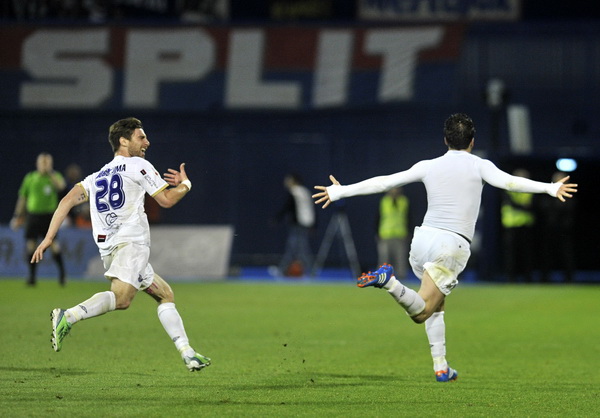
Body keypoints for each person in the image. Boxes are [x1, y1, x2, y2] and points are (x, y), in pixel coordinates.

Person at [313, 113, 577, 382]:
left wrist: (340, 191)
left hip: (423, 240)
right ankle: (389, 282)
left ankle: (441, 365)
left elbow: (385, 181)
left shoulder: (428, 165)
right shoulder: (480, 165)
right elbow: (509, 181)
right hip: (451, 244)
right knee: (422, 311)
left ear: (445, 140)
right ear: (472, 141)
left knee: (437, 303)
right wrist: (549, 187)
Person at [31, 117, 211, 372]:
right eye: (141, 137)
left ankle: (188, 352)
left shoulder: (96, 176)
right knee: (122, 299)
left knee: (165, 294)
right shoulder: (139, 165)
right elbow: (167, 200)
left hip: (111, 250)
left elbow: (66, 202)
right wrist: (186, 184)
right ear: (124, 141)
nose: (147, 142)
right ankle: (68, 316)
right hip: (131, 245)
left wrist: (48, 238)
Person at [11, 152, 66, 286]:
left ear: (51, 164)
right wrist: (18, 216)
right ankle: (32, 277)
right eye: (42, 162)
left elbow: (62, 187)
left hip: (49, 217)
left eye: (47, 163)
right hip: (33, 217)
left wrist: (50, 173)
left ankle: (62, 275)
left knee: (54, 246)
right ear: (37, 163)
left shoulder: (55, 177)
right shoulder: (30, 178)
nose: (44, 165)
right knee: (31, 246)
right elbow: (23, 198)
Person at [537, 171, 576, 282]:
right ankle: (544, 278)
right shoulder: (548, 193)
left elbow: (570, 208)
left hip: (564, 229)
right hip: (549, 228)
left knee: (566, 254)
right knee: (547, 254)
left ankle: (569, 278)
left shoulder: (569, 193)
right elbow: (542, 207)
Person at [275, 173, 316, 276]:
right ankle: (283, 269)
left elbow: (287, 207)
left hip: (298, 224)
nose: (286, 182)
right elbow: (312, 209)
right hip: (306, 223)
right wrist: (313, 224)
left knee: (298, 248)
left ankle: (311, 270)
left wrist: (276, 218)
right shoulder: (305, 191)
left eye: (289, 180)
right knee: (297, 248)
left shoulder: (294, 192)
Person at [501, 168, 536, 282]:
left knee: (526, 254)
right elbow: (512, 203)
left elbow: (534, 206)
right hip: (511, 226)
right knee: (510, 254)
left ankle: (528, 277)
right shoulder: (508, 189)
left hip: (525, 226)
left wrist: (522, 206)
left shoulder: (531, 190)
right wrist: (523, 206)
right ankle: (510, 278)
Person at [375, 187, 409, 279]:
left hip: (400, 234)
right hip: (385, 235)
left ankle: (402, 279)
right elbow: (378, 217)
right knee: (384, 258)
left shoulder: (404, 201)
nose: (394, 191)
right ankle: (382, 277)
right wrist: (377, 232)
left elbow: (409, 218)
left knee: (400, 259)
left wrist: (409, 233)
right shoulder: (384, 201)